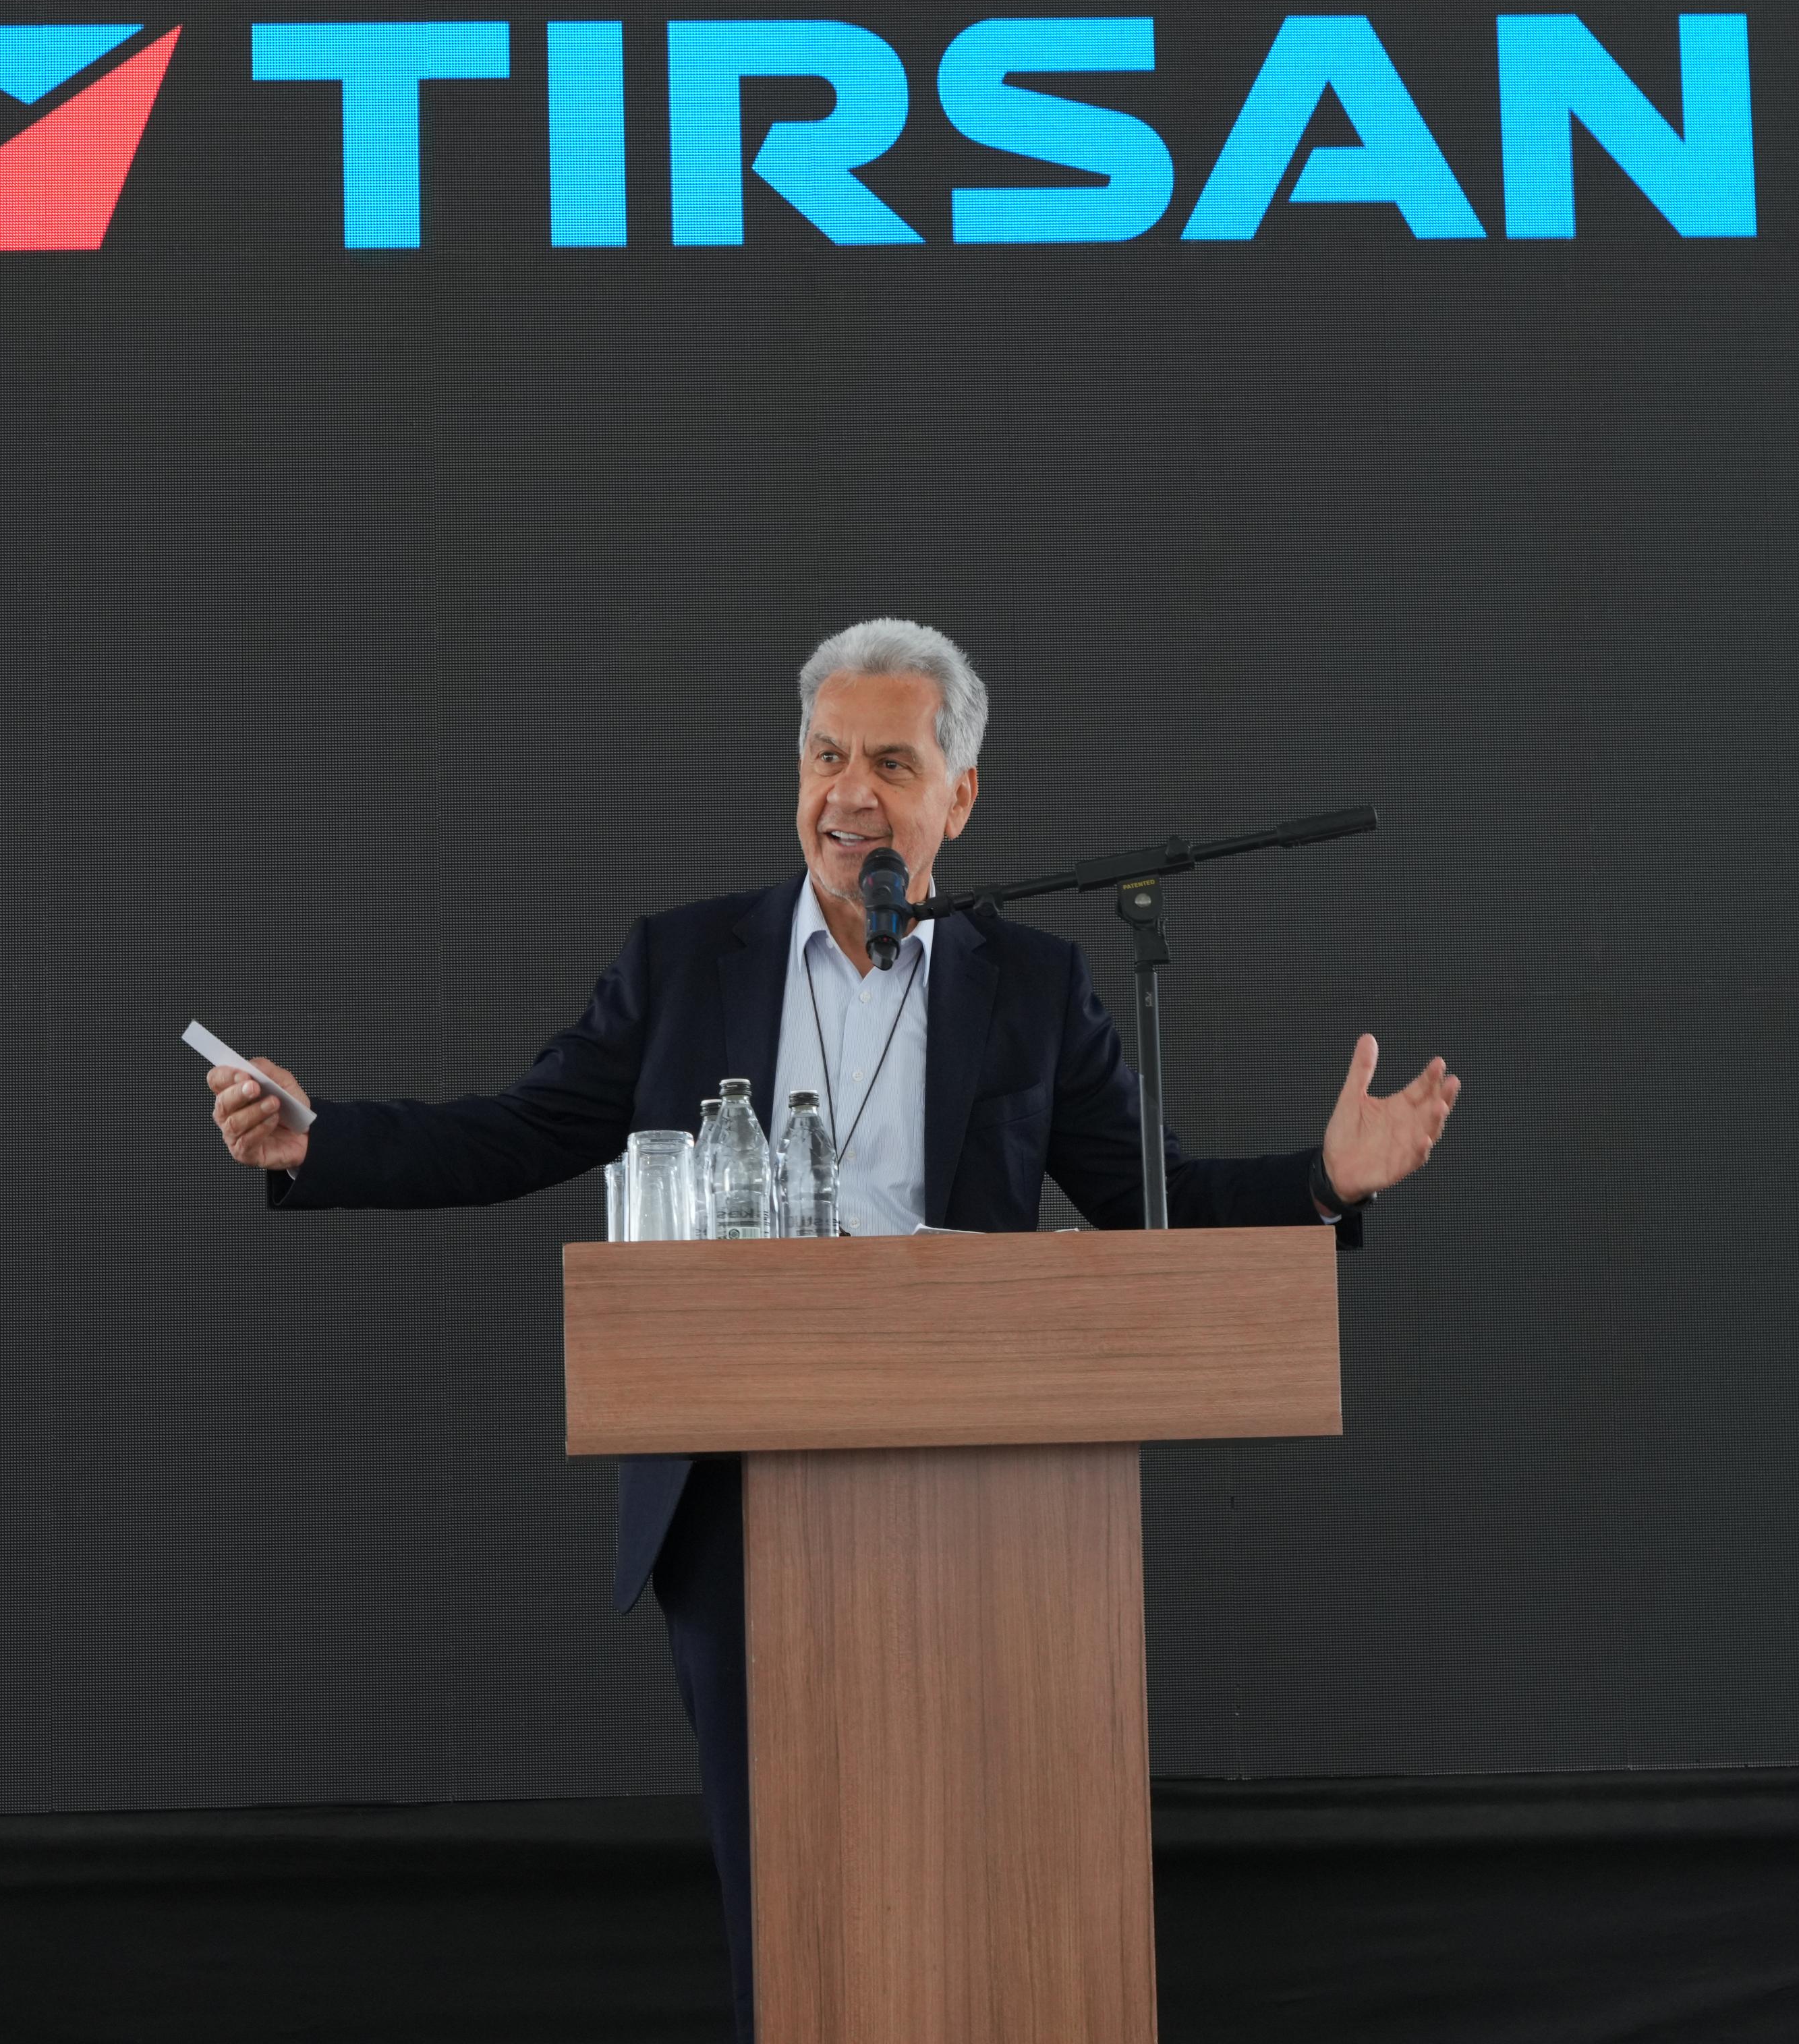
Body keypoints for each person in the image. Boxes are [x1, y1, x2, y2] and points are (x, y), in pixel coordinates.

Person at [205, 617, 1459, 2041]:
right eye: (824, 757)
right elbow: (515, 1130)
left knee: (996, 1891)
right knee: (794, 1899)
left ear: (960, 797)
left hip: (995, 1499)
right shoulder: (685, 963)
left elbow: (1152, 1207)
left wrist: (1325, 1180)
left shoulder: (1033, 989)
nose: (848, 793)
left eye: (891, 764)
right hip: (738, 1494)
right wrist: (318, 1140)